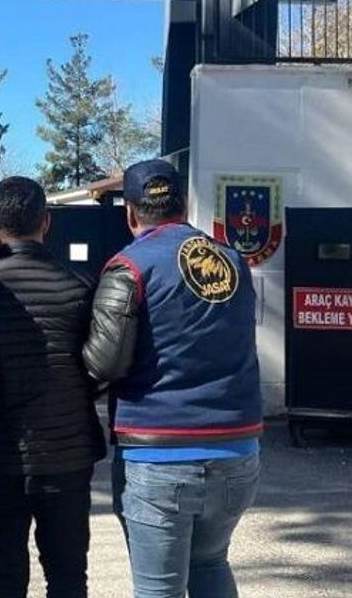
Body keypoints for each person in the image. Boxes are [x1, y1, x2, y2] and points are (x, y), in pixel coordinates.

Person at [82, 159, 263, 598]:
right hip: (238, 450)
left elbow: (104, 363)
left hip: (160, 454)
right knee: (211, 564)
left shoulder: (130, 266)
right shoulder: (233, 260)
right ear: (184, 204)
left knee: (158, 590)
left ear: (130, 213)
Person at [0, 177, 106, 598]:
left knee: (5, 579)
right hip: (68, 457)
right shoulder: (79, 286)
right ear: (47, 222)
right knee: (68, 578)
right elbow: (100, 368)